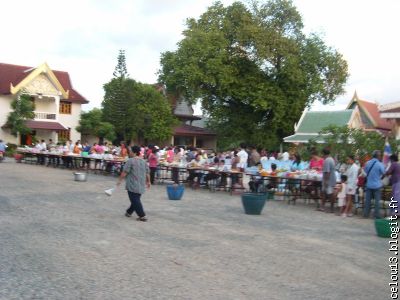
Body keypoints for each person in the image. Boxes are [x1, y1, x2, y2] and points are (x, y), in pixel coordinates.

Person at [117, 145, 150, 221]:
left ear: (134, 152)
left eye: (131, 151)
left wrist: (119, 180)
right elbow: (147, 173)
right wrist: (148, 182)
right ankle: (129, 212)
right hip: (141, 184)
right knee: (135, 199)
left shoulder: (130, 161)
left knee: (135, 200)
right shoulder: (143, 161)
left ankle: (142, 216)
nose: (130, 152)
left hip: (132, 184)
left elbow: (124, 172)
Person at [363, 150, 385, 219]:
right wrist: (379, 178)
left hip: (369, 184)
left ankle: (366, 214)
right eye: (380, 155)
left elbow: (366, 172)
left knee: (367, 200)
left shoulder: (367, 163)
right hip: (377, 185)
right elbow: (383, 173)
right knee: (377, 201)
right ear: (378, 156)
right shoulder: (380, 164)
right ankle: (377, 215)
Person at [320, 148, 337, 212]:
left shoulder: (327, 160)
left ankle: (331, 208)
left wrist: (326, 181)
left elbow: (327, 172)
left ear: (324, 154)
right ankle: (322, 206)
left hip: (328, 180)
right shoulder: (331, 159)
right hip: (331, 179)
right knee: (324, 193)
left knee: (330, 194)